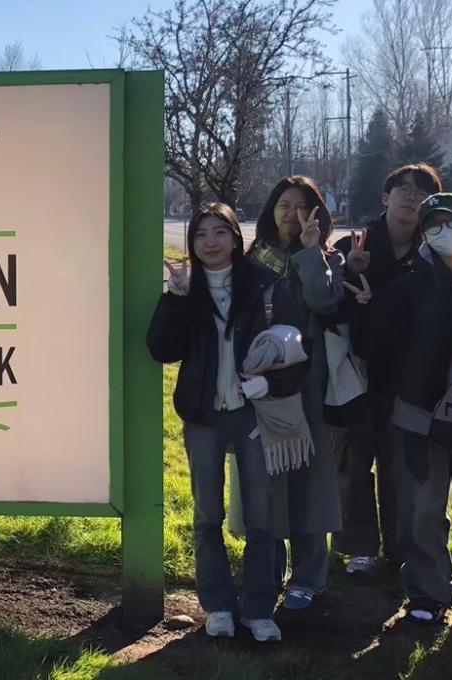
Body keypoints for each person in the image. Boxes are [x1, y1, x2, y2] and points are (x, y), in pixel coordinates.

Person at [147, 203, 308, 643]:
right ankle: (218, 605)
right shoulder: (187, 288)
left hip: (253, 414)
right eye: (201, 235)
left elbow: (298, 348)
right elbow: (161, 350)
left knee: (262, 517)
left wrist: (268, 386)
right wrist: (175, 300)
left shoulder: (264, 285)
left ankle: (259, 609)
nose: (211, 242)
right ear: (193, 242)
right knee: (207, 515)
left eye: (221, 232)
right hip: (203, 416)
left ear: (236, 238)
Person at [347, 193, 452, 630]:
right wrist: (364, 312)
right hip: (418, 415)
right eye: (432, 226)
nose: (443, 232)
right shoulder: (409, 284)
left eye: (451, 222)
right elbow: (373, 347)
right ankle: (429, 593)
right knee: (421, 510)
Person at [330, 163, 445, 575]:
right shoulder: (352, 246)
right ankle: (359, 545)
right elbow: (329, 310)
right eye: (404, 189)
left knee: (401, 467)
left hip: (410, 378)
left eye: (422, 192)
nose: (412, 198)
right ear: (385, 197)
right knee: (353, 462)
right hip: (357, 375)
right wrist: (350, 271)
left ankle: (401, 549)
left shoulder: (434, 251)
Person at [247, 176, 345, 611]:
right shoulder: (252, 262)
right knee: (266, 480)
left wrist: (310, 252)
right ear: (271, 210)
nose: (291, 213)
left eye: (302, 206)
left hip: (308, 387)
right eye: (283, 205)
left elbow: (324, 303)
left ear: (316, 215)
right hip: (261, 386)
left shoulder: (325, 259)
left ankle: (310, 575)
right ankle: (267, 569)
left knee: (310, 480)